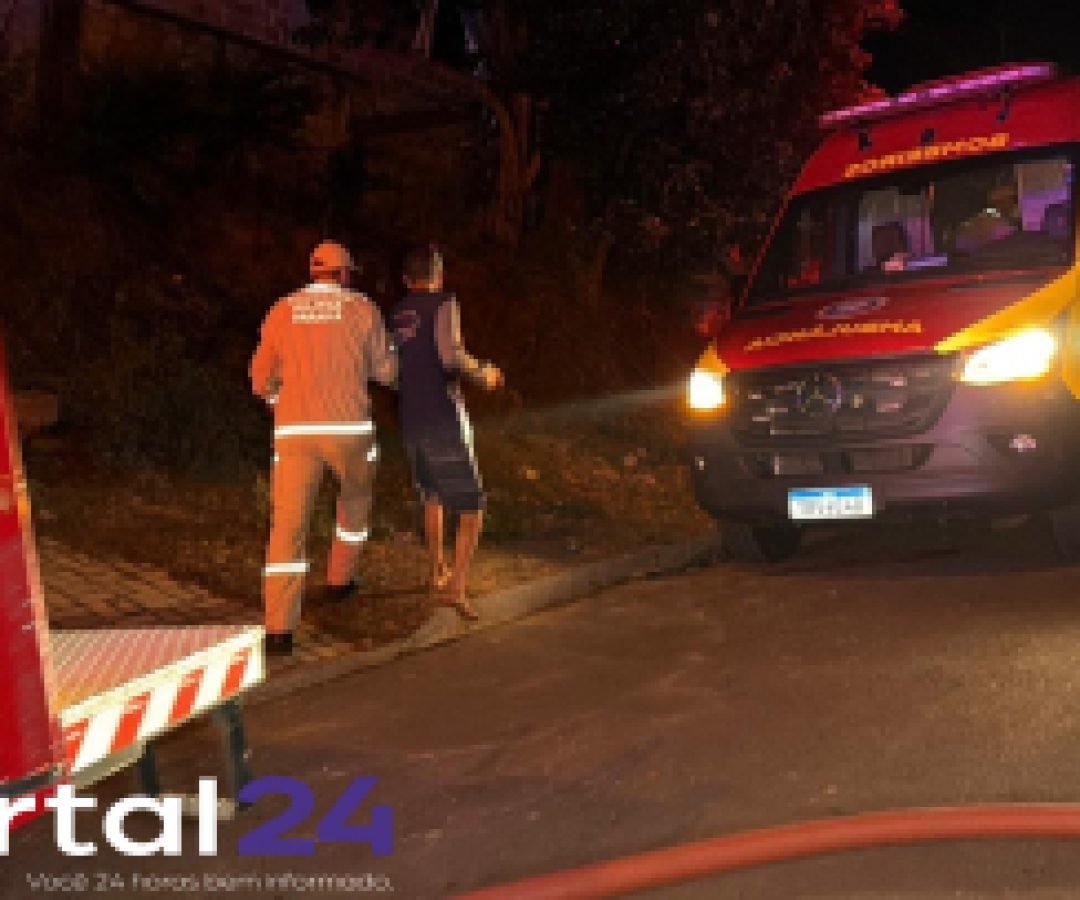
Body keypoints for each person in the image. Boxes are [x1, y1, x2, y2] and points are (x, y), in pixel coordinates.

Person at [250, 240, 397, 656]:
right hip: (349, 430)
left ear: (313, 272)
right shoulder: (362, 309)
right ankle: (340, 580)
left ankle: (279, 630)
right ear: (345, 273)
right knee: (355, 501)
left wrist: (277, 401)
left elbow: (260, 378)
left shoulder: (282, 310)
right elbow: (387, 371)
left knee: (287, 526)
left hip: (295, 433)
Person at [391, 245, 502, 620]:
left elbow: (394, 368)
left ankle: (436, 570)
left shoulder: (397, 313)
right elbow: (450, 355)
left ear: (406, 279)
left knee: (432, 494)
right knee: (471, 506)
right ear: (438, 275)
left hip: (411, 418)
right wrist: (484, 374)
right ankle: (456, 588)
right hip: (443, 417)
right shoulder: (443, 303)